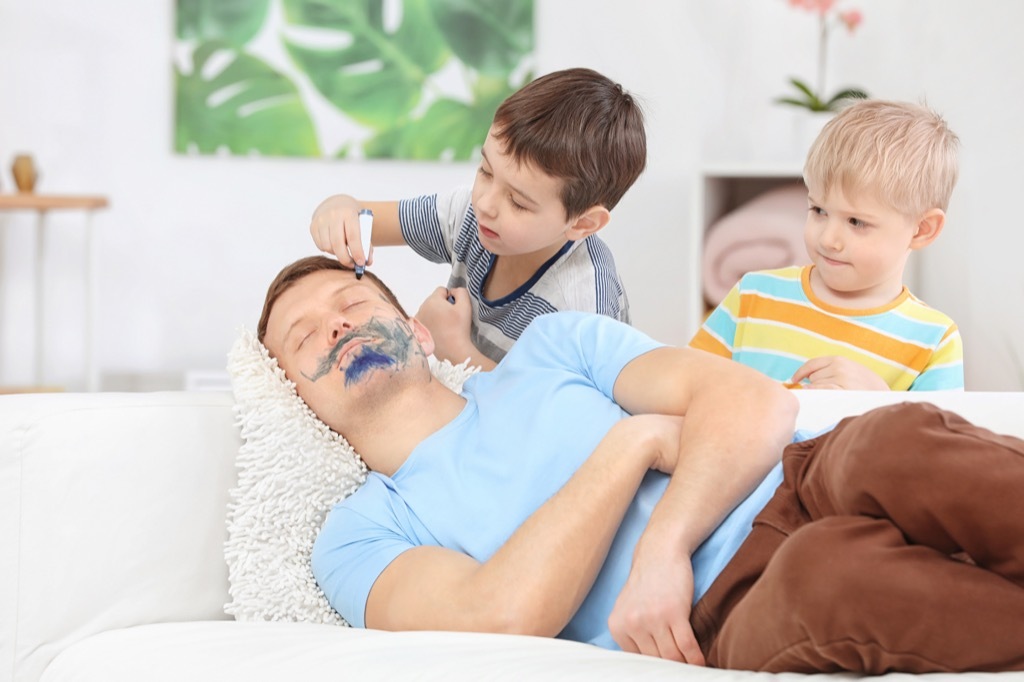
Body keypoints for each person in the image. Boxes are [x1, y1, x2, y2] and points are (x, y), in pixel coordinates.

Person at [258, 255, 1024, 674]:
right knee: (831, 575)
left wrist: (664, 546)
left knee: (893, 441)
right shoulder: (356, 536)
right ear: (293, 394)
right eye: (303, 336)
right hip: (721, 611)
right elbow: (497, 614)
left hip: (795, 473)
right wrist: (636, 443)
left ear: (418, 332)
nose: (336, 328)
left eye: (351, 305)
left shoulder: (553, 349)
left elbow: (751, 401)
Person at [308, 67, 646, 370]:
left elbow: (565, 411)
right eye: (485, 171)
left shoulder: (581, 304)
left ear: (582, 224)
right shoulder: (471, 217)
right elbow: (365, 216)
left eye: (518, 203)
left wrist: (456, 349)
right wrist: (340, 211)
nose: (485, 204)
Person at [689, 99, 964, 390]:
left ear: (922, 230)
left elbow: (934, 423)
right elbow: (683, 386)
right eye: (819, 210)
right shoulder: (753, 295)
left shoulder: (934, 340)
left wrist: (881, 400)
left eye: (856, 222)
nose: (827, 239)